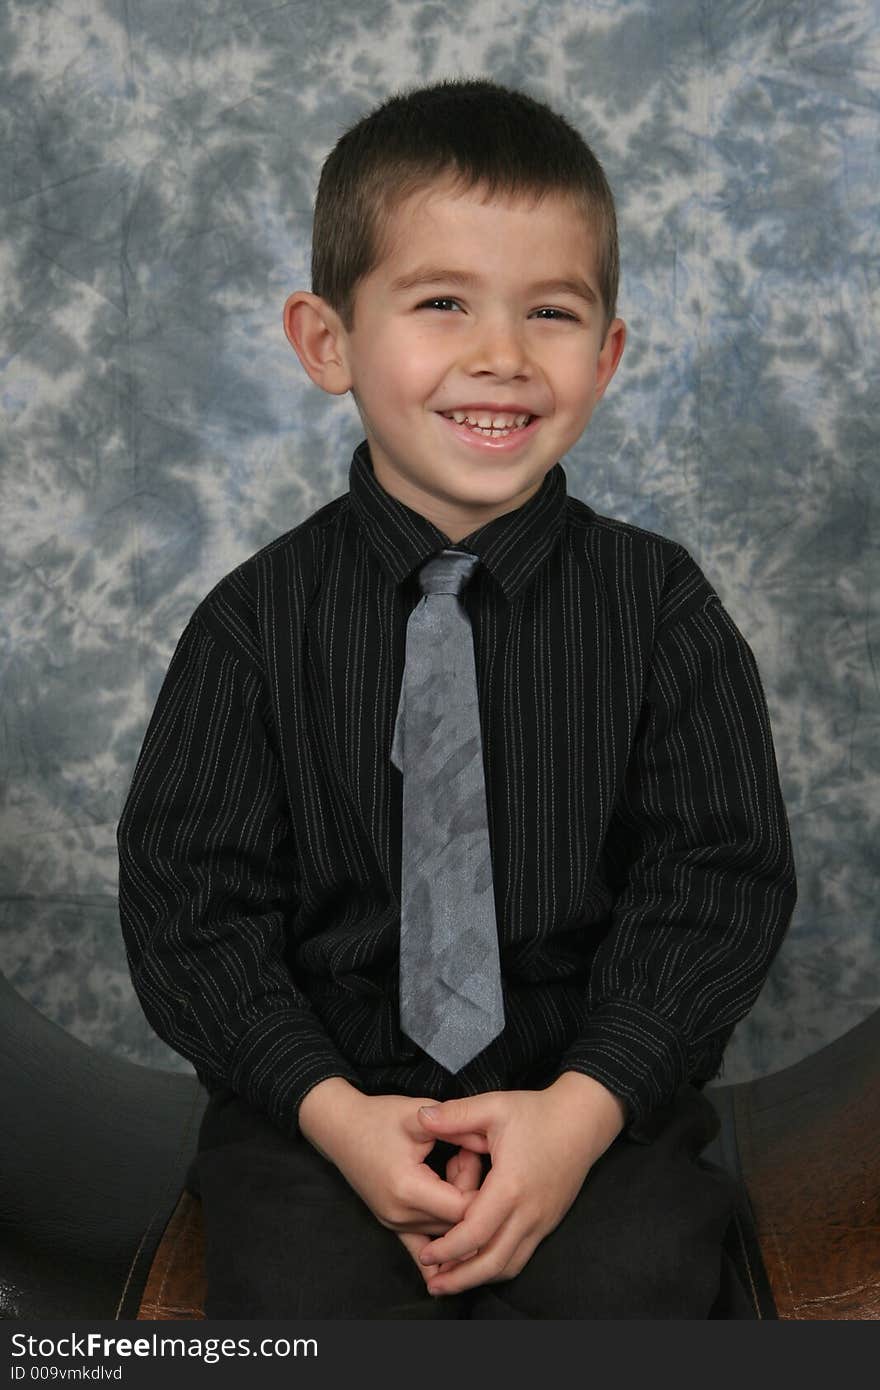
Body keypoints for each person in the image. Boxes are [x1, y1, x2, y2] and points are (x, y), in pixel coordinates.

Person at [117, 77, 797, 1319]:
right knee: (301, 1304)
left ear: (606, 355)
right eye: (441, 303)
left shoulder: (660, 610)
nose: (501, 356)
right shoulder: (252, 625)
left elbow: (716, 882)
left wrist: (583, 1112)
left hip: (592, 1098)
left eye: (550, 311)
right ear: (328, 342)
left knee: (634, 1283)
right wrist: (331, 1112)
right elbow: (190, 909)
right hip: (320, 1108)